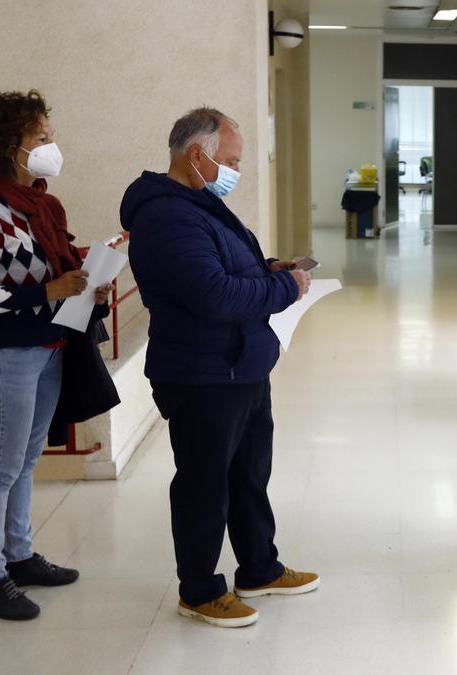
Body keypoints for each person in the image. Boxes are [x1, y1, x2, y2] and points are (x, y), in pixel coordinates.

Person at [120, 107, 317, 628]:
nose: (234, 170)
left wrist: (266, 268)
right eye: (229, 160)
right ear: (196, 155)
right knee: (205, 482)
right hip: (202, 372)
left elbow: (224, 270)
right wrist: (283, 288)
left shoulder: (198, 203)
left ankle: (259, 567)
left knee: (249, 474)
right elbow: (213, 295)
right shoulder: (166, 215)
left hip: (240, 365)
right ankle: (201, 589)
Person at [0, 90, 110, 621]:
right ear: (9, 146)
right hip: (5, 355)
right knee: (0, 466)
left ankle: (18, 556)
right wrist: (50, 292)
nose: (51, 146)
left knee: (24, 461)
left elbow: (56, 273)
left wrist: (87, 288)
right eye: (41, 138)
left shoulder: (43, 204)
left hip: (47, 348)